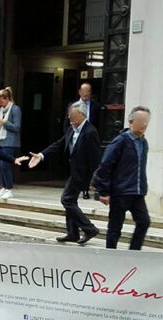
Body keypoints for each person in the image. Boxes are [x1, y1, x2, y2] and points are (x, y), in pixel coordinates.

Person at [28, 102, 101, 245]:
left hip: (83, 174)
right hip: (74, 172)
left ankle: (90, 228)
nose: (69, 117)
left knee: (66, 200)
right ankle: (73, 233)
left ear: (81, 115)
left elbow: (95, 158)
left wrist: (95, 180)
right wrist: (41, 155)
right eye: (69, 115)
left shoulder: (90, 132)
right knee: (70, 201)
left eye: (72, 115)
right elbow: (58, 144)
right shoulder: (71, 129)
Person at [92, 106, 152, 250]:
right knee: (115, 226)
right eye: (141, 121)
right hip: (120, 192)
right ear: (131, 121)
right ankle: (111, 254)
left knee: (144, 222)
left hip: (137, 192)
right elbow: (105, 166)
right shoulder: (120, 141)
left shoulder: (143, 142)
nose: (144, 124)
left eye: (147, 121)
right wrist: (104, 191)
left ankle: (134, 252)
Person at [0, 87, 22, 199]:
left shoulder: (15, 109)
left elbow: (16, 127)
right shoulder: (0, 110)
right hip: (0, 139)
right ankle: (3, 187)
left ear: (7, 98)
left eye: (1, 100)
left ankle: (9, 188)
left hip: (10, 141)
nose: (0, 103)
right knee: (0, 166)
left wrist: (3, 122)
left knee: (5, 165)